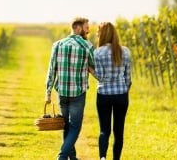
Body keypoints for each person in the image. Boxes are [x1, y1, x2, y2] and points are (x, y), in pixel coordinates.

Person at [45, 17, 96, 160]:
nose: (88, 30)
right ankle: (62, 157)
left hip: (61, 92)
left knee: (66, 125)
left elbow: (51, 70)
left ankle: (72, 158)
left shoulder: (58, 45)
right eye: (87, 27)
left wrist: (48, 93)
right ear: (78, 28)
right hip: (78, 93)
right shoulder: (87, 46)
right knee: (75, 127)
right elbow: (94, 68)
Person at [92, 22, 132, 160]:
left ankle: (102, 157)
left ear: (102, 34)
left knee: (104, 130)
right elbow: (128, 78)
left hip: (104, 94)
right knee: (118, 132)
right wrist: (124, 92)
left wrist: (90, 70)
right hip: (121, 94)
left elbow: (101, 77)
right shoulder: (125, 51)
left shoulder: (97, 53)